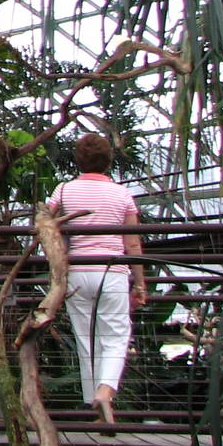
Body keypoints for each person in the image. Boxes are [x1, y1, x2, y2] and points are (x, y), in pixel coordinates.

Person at [46, 134, 148, 427]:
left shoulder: (63, 191)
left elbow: (46, 224)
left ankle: (95, 405)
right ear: (108, 161)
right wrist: (139, 284)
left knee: (85, 339)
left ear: (78, 159)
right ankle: (105, 392)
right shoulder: (122, 194)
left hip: (77, 270)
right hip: (112, 271)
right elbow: (132, 245)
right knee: (115, 336)